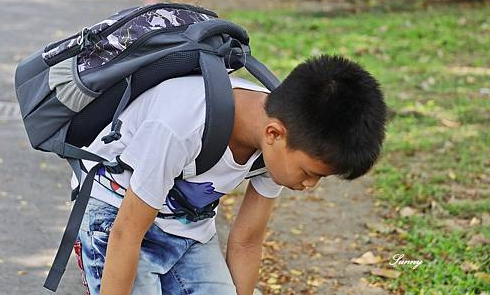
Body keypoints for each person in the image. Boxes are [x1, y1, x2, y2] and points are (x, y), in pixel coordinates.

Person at [72, 54, 387, 295]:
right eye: (308, 173)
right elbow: (126, 234)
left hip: (185, 225)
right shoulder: (182, 123)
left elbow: (247, 241)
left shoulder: (280, 140)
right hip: (113, 215)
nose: (308, 186)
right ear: (274, 134)